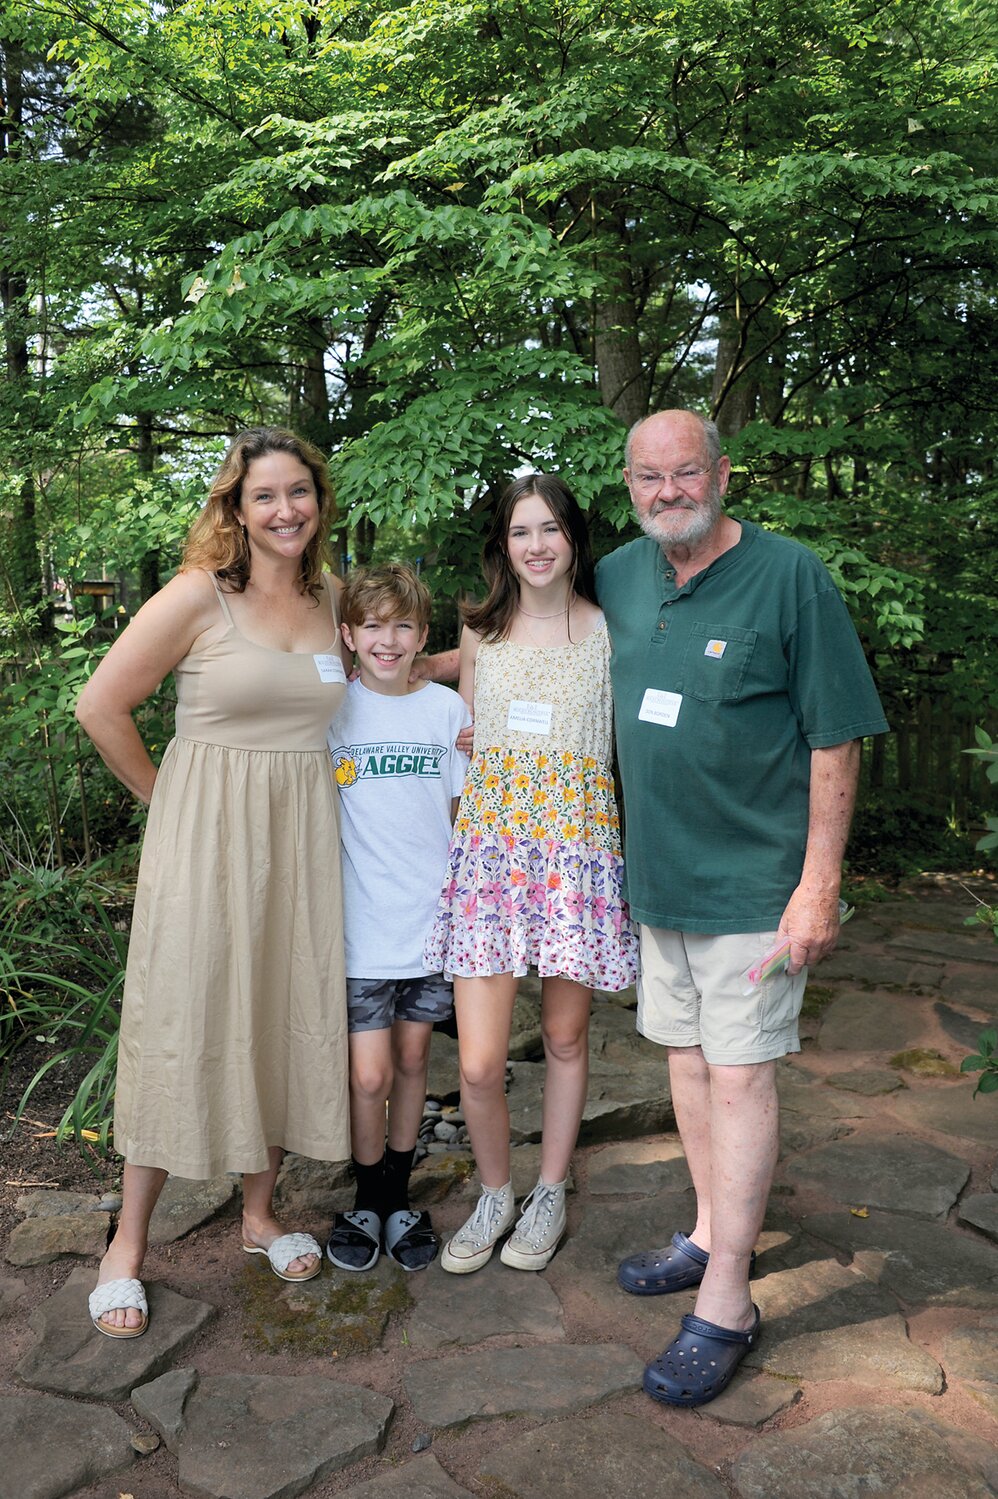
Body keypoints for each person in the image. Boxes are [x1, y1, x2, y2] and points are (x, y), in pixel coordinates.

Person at [603, 409, 889, 1406]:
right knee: (684, 1063)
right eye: (647, 476)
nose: (666, 490)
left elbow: (835, 735)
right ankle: (705, 1232)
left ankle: (725, 1298)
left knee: (737, 1079)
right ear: (627, 483)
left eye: (684, 472)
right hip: (657, 882)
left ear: (720, 473)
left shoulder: (789, 576)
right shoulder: (615, 576)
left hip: (753, 890)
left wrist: (816, 885)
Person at [75, 427, 351, 1338]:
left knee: (281, 1006)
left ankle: (261, 1214)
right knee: (182, 1015)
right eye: (265, 495)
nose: (285, 510)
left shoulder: (333, 599)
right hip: (206, 836)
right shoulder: (199, 595)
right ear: (236, 507)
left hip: (303, 835)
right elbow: (100, 704)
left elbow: (388, 680)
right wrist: (165, 803)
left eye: (299, 492)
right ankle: (128, 1244)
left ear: (319, 501)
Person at [423, 474, 638, 1274]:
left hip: (574, 857)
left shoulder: (612, 632)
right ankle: (494, 1189)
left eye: (550, 529)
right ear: (503, 545)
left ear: (574, 539)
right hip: (491, 856)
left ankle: (549, 1188)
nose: (537, 545)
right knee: (477, 1060)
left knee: (564, 1035)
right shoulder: (480, 631)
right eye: (521, 531)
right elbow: (465, 744)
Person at [324, 563, 471, 1273]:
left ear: (422, 636)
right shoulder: (331, 713)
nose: (389, 639)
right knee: (371, 1075)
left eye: (404, 626)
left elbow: (458, 815)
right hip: (361, 935)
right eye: (373, 626)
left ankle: (396, 1198)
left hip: (431, 929)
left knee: (415, 1060)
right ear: (349, 635)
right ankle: (364, 1196)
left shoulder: (445, 712)